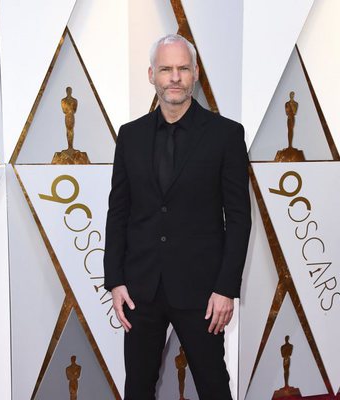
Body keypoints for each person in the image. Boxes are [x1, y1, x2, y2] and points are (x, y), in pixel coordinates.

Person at [104, 33, 251, 400]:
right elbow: (118, 211)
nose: (174, 77)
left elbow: (239, 217)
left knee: (214, 386)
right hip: (140, 289)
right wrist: (115, 281)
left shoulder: (226, 135)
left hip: (203, 292)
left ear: (195, 73)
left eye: (182, 69)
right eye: (166, 69)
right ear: (151, 74)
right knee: (137, 388)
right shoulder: (130, 136)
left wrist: (226, 288)